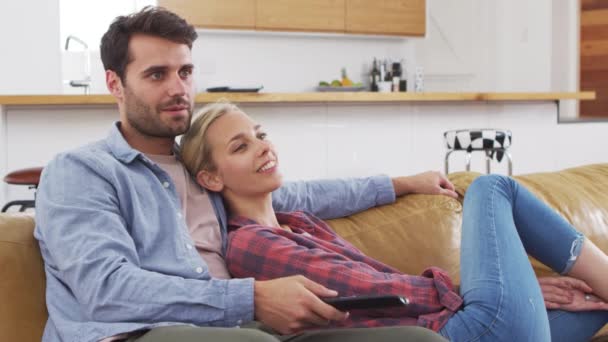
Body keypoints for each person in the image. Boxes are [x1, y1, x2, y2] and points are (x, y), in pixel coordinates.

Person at [34, 6, 451, 342]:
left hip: (237, 326)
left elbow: (301, 196)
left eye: (185, 72)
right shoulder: (81, 172)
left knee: (417, 339)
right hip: (133, 333)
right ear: (115, 84)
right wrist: (251, 298)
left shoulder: (202, 170)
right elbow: (107, 290)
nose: (178, 89)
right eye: (156, 75)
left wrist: (403, 183)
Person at [179, 101, 608, 342]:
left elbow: (328, 197)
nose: (261, 147)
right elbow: (374, 291)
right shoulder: (252, 245)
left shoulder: (298, 221)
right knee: (490, 188)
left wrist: (520, 291)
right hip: (456, 334)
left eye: (259, 133)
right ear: (211, 177)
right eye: (240, 146)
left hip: (478, 326)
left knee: (594, 303)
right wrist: (504, 290)